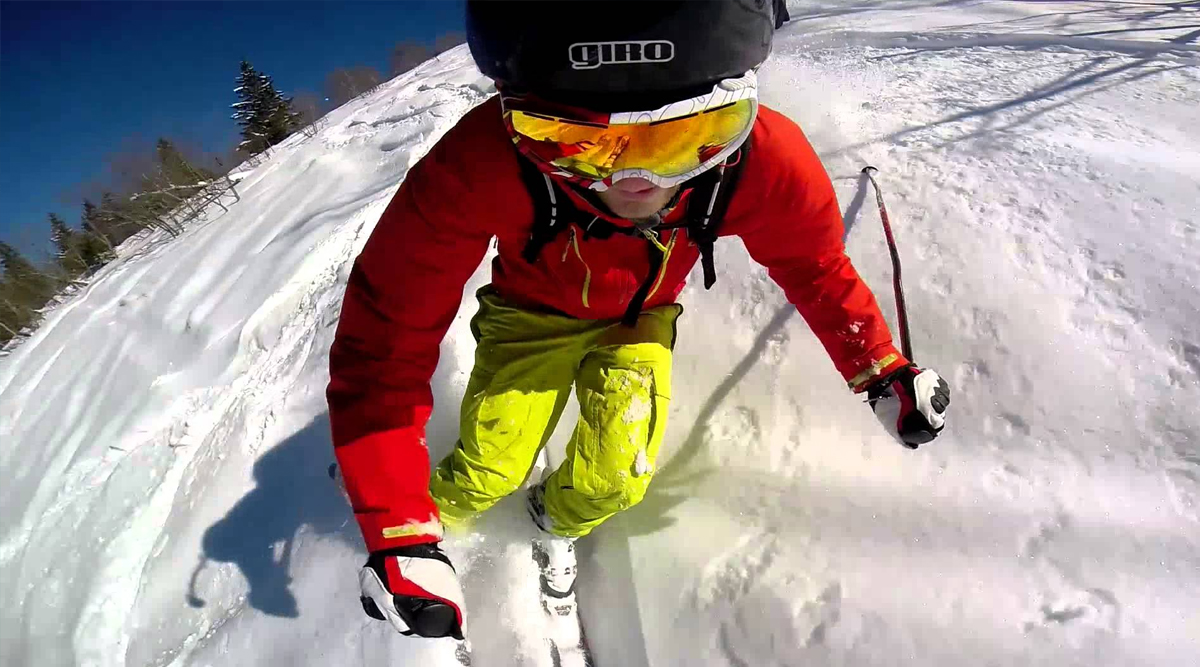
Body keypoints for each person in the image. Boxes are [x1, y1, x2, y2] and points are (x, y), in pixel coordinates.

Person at [327, 0, 951, 641]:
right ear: (520, 123)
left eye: (679, 140)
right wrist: (396, 524)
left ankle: (550, 523)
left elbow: (813, 265)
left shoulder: (759, 161)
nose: (633, 180)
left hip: (639, 318)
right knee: (489, 467)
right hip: (530, 317)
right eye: (579, 143)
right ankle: (436, 527)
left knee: (616, 478)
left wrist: (881, 368)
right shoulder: (483, 162)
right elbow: (384, 339)